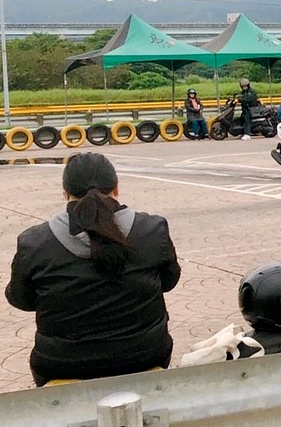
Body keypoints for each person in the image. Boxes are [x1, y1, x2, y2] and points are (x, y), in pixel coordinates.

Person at [6, 153, 181, 386]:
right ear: (116, 189)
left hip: (61, 363)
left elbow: (20, 299)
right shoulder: (153, 229)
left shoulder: (34, 241)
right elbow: (169, 281)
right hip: (144, 354)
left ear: (66, 194)